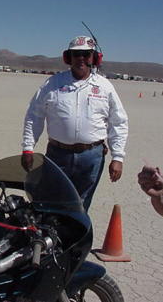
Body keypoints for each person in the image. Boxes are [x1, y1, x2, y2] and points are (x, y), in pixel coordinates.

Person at [21, 36, 128, 211]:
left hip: (92, 158)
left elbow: (118, 122)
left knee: (81, 205)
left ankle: (75, 238)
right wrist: (28, 147)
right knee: (51, 202)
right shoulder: (52, 84)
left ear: (94, 58)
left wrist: (118, 157)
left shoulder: (105, 87)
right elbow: (34, 116)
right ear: (68, 58)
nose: (81, 59)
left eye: (86, 54)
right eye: (76, 54)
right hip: (57, 155)